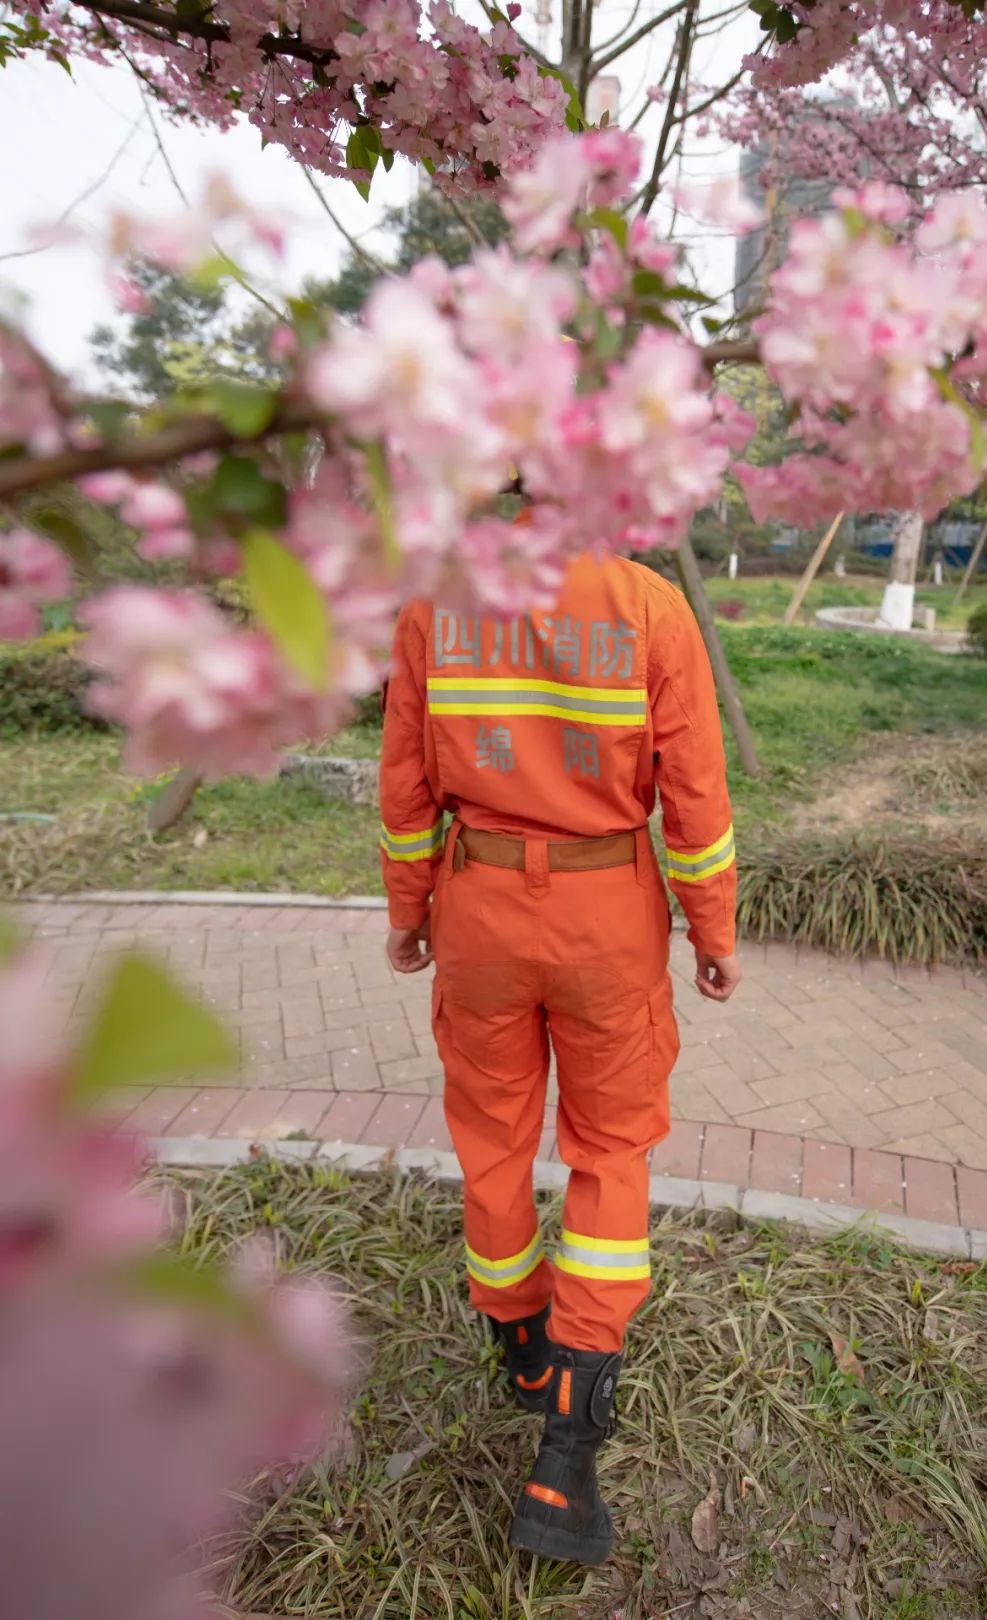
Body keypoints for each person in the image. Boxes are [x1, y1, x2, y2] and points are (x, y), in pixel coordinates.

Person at [379, 516, 740, 1567]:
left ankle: (523, 1347)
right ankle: (566, 1454)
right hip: (605, 915)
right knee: (611, 1146)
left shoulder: (432, 605)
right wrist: (712, 929)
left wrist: (409, 909)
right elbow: (697, 796)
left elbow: (406, 784)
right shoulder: (648, 605)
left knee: (491, 1136)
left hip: (478, 904)